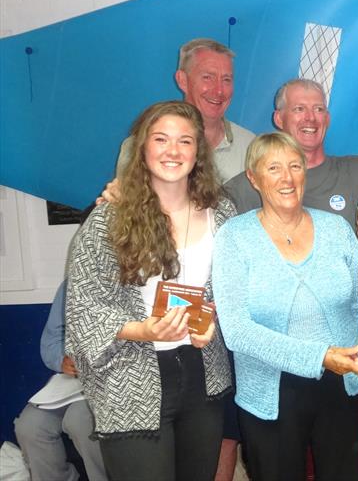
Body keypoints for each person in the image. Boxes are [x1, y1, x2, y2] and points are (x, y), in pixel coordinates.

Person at [66, 101, 235, 481]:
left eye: (185, 141)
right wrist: (142, 330)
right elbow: (83, 307)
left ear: (198, 152)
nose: (173, 151)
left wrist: (213, 316)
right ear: (143, 148)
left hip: (203, 374)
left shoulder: (223, 213)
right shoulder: (109, 218)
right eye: (161, 139)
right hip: (131, 376)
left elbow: (239, 288)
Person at [212, 132, 358, 481]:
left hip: (342, 384)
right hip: (270, 390)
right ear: (253, 178)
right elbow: (237, 331)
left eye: (295, 166)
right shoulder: (233, 237)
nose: (286, 178)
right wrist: (318, 357)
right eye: (273, 168)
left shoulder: (337, 230)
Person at [224, 78, 358, 230]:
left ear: (327, 119)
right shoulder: (250, 184)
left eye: (318, 109)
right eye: (299, 109)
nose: (310, 117)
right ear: (279, 119)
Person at [110, 38, 255, 186]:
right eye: (207, 77)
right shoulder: (138, 146)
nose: (218, 90)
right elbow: (129, 204)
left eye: (226, 80)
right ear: (182, 80)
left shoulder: (252, 147)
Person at [15, 281, 107, 481]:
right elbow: (52, 339)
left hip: (110, 380)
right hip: (71, 381)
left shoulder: (135, 282)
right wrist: (61, 360)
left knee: (80, 421)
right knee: (30, 426)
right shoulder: (71, 285)